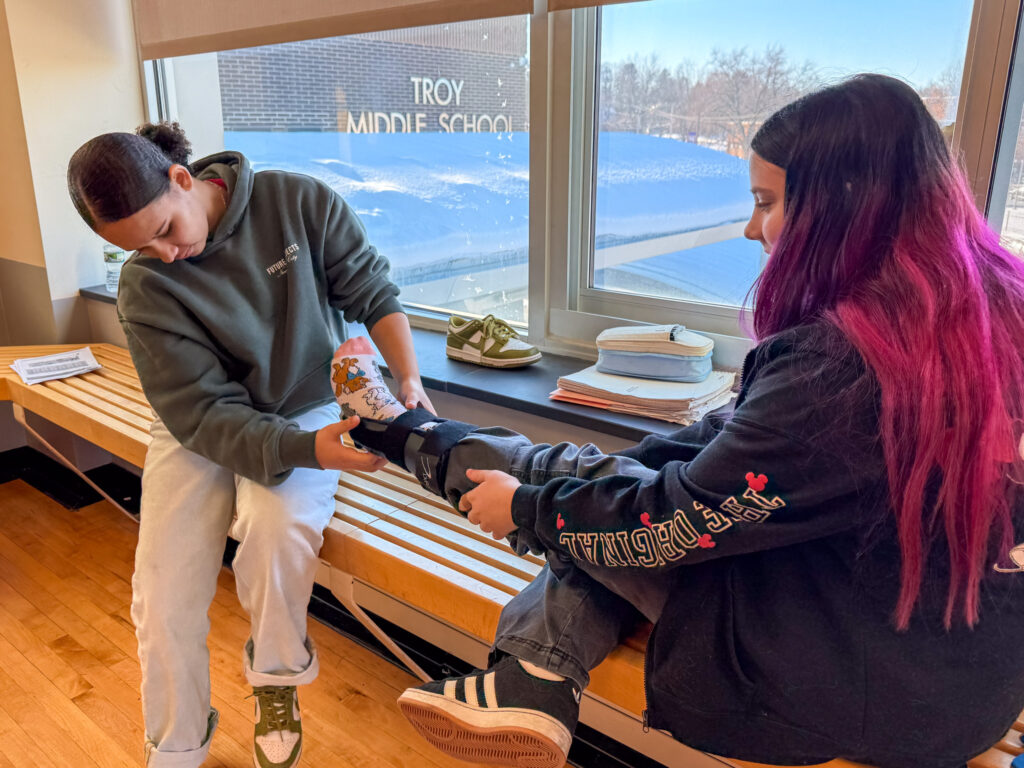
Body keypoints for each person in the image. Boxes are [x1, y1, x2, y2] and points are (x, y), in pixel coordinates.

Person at [329, 74, 1024, 768]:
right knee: (606, 483)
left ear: (844, 202)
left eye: (766, 202)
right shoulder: (986, 314)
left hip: (856, 683)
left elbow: (670, 525)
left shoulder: (838, 367)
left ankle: (402, 439)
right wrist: (600, 481)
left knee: (601, 514)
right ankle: (526, 666)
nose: (751, 229)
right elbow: (735, 452)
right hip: (964, 674)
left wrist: (525, 510)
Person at [66, 122, 433, 768]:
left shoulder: (295, 201)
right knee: (161, 591)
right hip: (200, 424)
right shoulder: (146, 285)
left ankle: (275, 680)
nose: (164, 255)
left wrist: (408, 377)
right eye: (139, 249)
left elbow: (372, 291)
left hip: (304, 402)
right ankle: (176, 746)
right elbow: (204, 414)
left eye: (164, 230)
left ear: (183, 179)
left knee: (275, 530)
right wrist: (306, 452)